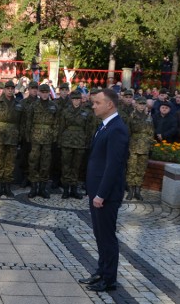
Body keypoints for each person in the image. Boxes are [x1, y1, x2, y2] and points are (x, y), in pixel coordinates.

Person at [80, 89, 129, 292]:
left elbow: (113, 165)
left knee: (107, 237)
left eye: (97, 102)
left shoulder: (117, 129)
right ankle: (101, 271)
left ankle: (109, 279)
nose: (93, 106)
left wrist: (101, 194)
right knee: (100, 235)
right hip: (97, 190)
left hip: (106, 194)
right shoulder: (104, 126)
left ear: (110, 105)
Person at [23, 83, 59, 199]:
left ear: (49, 93)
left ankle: (43, 188)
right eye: (42, 92)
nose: (44, 94)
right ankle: (34, 187)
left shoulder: (54, 106)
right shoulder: (33, 106)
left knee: (46, 162)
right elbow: (28, 122)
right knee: (33, 162)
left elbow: (57, 123)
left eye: (46, 92)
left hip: (48, 138)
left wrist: (54, 136)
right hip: (35, 137)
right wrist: (28, 136)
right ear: (38, 93)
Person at [0, 81, 21, 197]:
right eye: (8, 88)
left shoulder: (18, 104)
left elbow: (22, 121)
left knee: (10, 162)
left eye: (12, 88)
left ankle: (7, 186)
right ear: (5, 90)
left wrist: (20, 135)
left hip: (13, 136)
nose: (10, 90)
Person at [58, 90, 92, 199]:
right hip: (67, 141)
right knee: (66, 165)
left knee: (76, 166)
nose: (76, 101)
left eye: (78, 99)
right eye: (74, 99)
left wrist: (86, 141)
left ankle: (74, 188)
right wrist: (60, 141)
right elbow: (61, 127)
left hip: (80, 141)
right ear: (71, 100)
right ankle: (66, 189)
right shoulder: (65, 111)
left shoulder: (86, 112)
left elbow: (88, 129)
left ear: (81, 100)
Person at [126, 97, 155, 200]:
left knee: (141, 169)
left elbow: (151, 133)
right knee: (131, 169)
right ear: (136, 105)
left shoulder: (149, 117)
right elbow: (127, 133)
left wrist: (151, 146)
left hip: (145, 147)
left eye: (144, 104)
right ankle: (130, 190)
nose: (142, 106)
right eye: (140, 104)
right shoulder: (131, 117)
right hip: (133, 146)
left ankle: (138, 190)